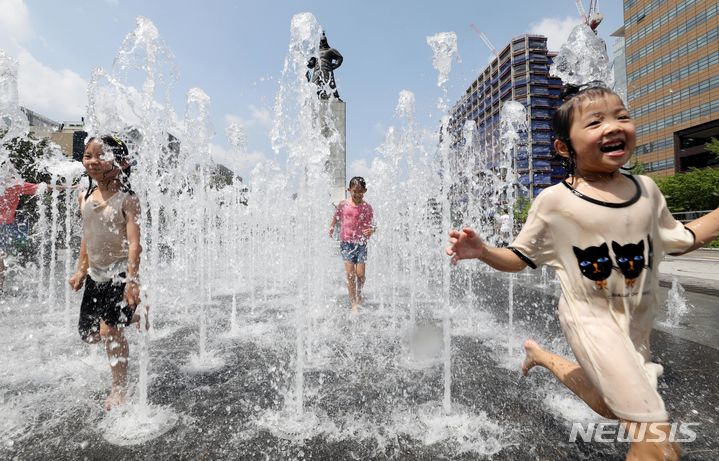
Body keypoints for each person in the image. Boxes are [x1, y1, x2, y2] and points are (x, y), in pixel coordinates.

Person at [446, 85, 719, 461]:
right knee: (657, 442)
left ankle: (540, 356)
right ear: (564, 148)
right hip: (589, 319)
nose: (613, 127)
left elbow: (682, 238)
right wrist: (483, 251)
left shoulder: (648, 190)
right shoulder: (555, 202)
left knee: (612, 409)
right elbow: (521, 258)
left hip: (635, 326)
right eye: (595, 122)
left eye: (621, 116)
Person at [69, 134, 143, 411]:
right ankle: (133, 314)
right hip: (95, 275)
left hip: (120, 272)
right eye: (88, 155)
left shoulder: (127, 199)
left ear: (121, 162)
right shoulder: (84, 195)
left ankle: (118, 389)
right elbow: (87, 237)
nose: (93, 161)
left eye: (101, 156)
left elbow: (135, 244)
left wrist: (133, 281)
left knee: (109, 331)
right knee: (89, 334)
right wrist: (80, 270)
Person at [329, 176, 374, 313]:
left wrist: (372, 230)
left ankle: (359, 293)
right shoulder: (343, 205)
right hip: (347, 243)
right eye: (355, 191)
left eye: (361, 191)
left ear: (365, 191)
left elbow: (372, 225)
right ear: (349, 190)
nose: (358, 194)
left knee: (360, 275)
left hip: (361, 243)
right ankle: (354, 302)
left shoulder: (367, 207)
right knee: (350, 275)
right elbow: (336, 216)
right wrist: (331, 227)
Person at [306, 31, 343, 100]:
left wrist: (335, 65)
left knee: (331, 83)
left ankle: (336, 97)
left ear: (326, 41)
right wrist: (307, 63)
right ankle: (319, 96)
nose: (322, 43)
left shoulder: (331, 50)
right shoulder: (316, 52)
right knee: (315, 85)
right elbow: (311, 64)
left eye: (323, 41)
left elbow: (339, 57)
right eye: (321, 41)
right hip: (317, 71)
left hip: (327, 69)